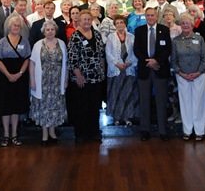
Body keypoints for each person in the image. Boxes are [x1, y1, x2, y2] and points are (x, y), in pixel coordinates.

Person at [133, 7, 171, 141]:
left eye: (152, 15)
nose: (150, 17)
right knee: (144, 101)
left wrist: (157, 61)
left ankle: (163, 131)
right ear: (145, 16)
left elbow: (167, 49)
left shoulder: (164, 30)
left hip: (160, 69)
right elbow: (136, 49)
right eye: (148, 15)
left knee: (161, 101)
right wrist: (148, 62)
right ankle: (145, 130)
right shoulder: (139, 30)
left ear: (157, 16)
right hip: (144, 70)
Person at [67, 10, 105, 143]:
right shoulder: (75, 36)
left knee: (94, 106)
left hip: (96, 77)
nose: (87, 22)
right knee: (81, 106)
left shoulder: (97, 34)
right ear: (79, 21)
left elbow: (101, 55)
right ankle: (81, 134)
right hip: (81, 78)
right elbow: (72, 58)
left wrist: (102, 72)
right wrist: (78, 76)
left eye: (89, 19)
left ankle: (93, 132)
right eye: (84, 19)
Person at [171, 13, 205, 141]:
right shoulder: (176, 41)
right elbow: (173, 61)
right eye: (183, 23)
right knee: (185, 103)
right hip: (182, 77)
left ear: (192, 25)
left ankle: (199, 131)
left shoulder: (200, 39)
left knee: (199, 103)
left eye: (188, 23)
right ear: (180, 25)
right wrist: (181, 73)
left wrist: (198, 72)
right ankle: (187, 131)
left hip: (198, 75)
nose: (185, 25)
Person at [29, 19, 68, 145]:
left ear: (55, 31)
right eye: (47, 30)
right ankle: (45, 134)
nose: (50, 32)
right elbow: (32, 64)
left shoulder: (61, 43)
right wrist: (32, 81)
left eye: (52, 29)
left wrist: (66, 79)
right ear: (43, 31)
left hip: (57, 81)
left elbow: (66, 63)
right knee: (43, 106)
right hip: (42, 81)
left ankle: (52, 132)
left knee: (54, 106)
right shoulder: (38, 44)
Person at [0, 15, 31, 147]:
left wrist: (20, 73)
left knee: (16, 105)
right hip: (5, 77)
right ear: (9, 27)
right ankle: (5, 135)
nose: (16, 27)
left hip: (20, 77)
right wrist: (8, 74)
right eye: (14, 25)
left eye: (19, 26)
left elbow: (27, 59)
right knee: (5, 106)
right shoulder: (2, 42)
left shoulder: (25, 41)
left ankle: (14, 135)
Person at [106, 15, 137, 126]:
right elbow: (108, 53)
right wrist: (117, 64)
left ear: (125, 24)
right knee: (116, 94)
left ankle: (127, 117)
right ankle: (116, 118)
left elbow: (135, 52)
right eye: (117, 23)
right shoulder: (111, 37)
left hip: (128, 69)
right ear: (114, 25)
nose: (120, 24)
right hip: (116, 70)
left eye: (122, 22)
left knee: (127, 94)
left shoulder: (131, 36)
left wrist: (129, 63)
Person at [162, 6, 182, 123]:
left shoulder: (179, 29)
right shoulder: (162, 30)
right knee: (170, 90)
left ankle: (181, 113)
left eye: (170, 15)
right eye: (166, 15)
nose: (168, 17)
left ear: (174, 16)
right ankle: (174, 112)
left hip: (178, 63)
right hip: (166, 63)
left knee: (179, 89)